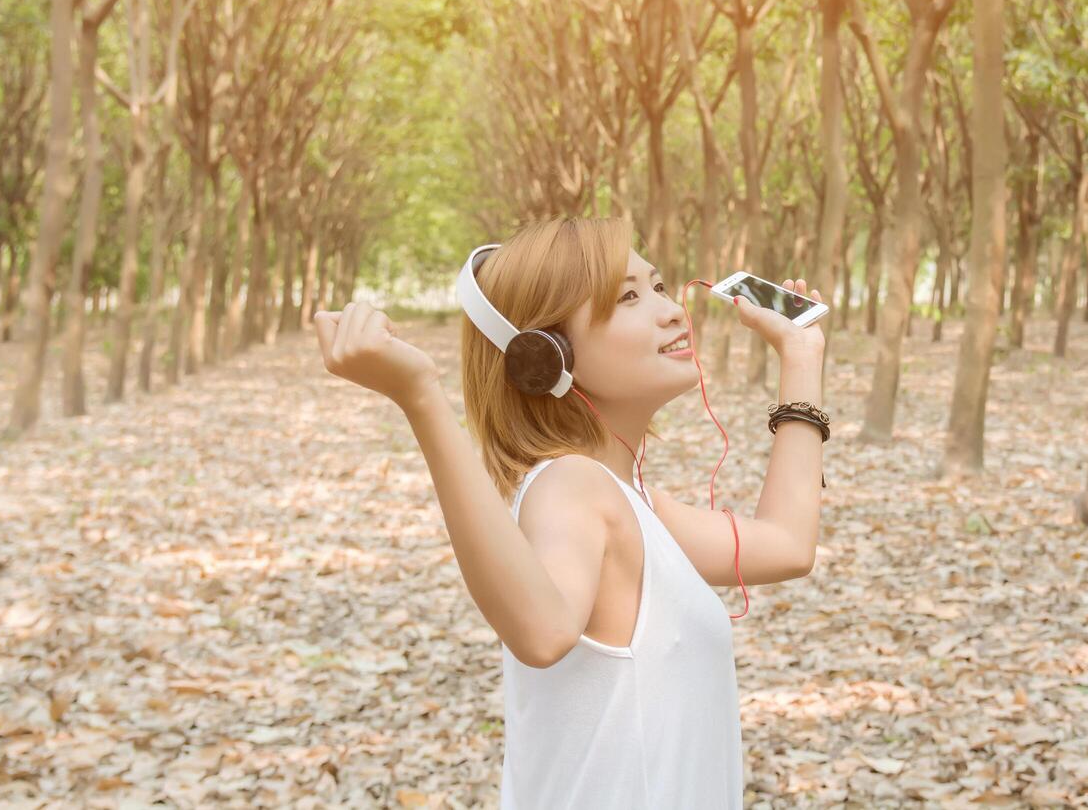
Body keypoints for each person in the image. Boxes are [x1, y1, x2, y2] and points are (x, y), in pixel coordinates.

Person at [312, 216, 828, 809]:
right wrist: (420, 396)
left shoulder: (630, 502)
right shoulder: (573, 487)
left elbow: (788, 545)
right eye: (627, 297)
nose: (670, 310)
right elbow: (542, 629)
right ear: (544, 356)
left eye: (657, 286)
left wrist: (801, 355)